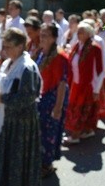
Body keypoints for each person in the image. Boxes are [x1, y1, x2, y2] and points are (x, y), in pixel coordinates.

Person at [0, 28, 42, 186]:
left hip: (19, 124)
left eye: (8, 46)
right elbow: (8, 86)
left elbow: (28, 97)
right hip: (5, 120)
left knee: (16, 163)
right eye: (4, 46)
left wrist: (1, 98)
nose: (5, 50)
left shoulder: (27, 68)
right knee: (4, 161)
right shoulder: (8, 63)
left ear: (21, 46)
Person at [35, 23, 68, 178]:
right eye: (41, 34)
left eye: (46, 35)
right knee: (39, 132)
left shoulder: (60, 56)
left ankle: (46, 165)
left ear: (54, 38)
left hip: (52, 100)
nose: (42, 38)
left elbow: (62, 83)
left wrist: (58, 107)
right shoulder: (42, 53)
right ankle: (40, 162)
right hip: (40, 98)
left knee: (49, 133)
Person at [63, 22, 103, 144]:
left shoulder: (94, 48)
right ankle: (87, 130)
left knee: (80, 110)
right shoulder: (77, 46)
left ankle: (75, 136)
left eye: (81, 32)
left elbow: (99, 71)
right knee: (77, 108)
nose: (78, 34)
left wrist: (96, 89)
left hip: (87, 85)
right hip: (76, 83)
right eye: (78, 31)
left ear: (88, 34)